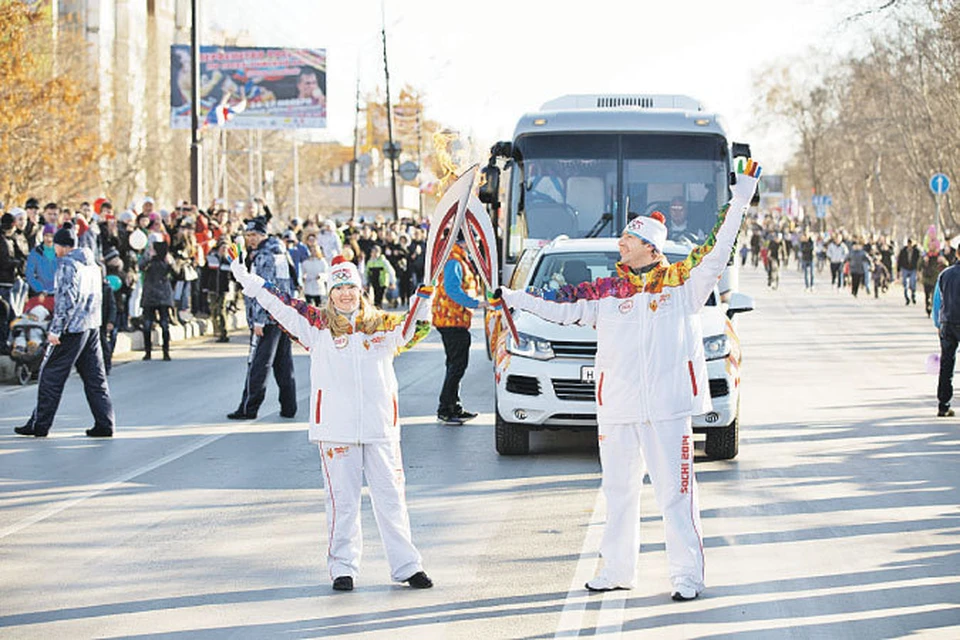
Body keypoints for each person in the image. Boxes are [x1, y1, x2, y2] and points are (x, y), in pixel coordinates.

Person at [497, 159, 762, 601]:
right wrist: (513, 296)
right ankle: (617, 569)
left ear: (651, 248)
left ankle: (686, 575)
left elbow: (719, 250)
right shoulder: (608, 292)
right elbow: (561, 309)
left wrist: (741, 198)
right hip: (617, 407)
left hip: (666, 408)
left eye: (629, 238)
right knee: (618, 493)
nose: (620, 243)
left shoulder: (683, 287)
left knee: (675, 496)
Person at [228, 252, 435, 592]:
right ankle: (343, 568)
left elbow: (415, 329)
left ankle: (407, 566)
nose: (346, 294)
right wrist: (249, 282)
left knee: (392, 498)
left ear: (360, 290)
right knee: (342, 500)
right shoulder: (315, 325)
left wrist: (423, 301)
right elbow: (280, 304)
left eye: (351, 287)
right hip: (336, 429)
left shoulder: (381, 325)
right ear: (330, 292)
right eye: (339, 288)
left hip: (380, 426)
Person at [15, 223, 115, 438]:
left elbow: (66, 301)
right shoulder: (92, 265)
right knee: (95, 378)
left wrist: (56, 330)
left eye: (57, 246)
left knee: (50, 376)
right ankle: (105, 423)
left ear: (63, 246)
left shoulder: (68, 265)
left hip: (72, 328)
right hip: (91, 326)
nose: (55, 250)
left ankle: (40, 425)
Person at [227, 216, 298, 420]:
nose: (250, 239)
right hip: (283, 315)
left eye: (254, 235)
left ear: (263, 235)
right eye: (248, 235)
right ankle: (289, 407)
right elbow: (293, 280)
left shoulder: (264, 256)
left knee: (258, 363)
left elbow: (263, 289)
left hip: (267, 317)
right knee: (283, 363)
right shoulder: (282, 251)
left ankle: (248, 408)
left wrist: (258, 319)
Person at [433, 238, 486, 426]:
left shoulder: (459, 258)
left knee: (455, 365)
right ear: (465, 241)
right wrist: (476, 303)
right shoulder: (454, 260)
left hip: (455, 319)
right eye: (475, 239)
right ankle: (446, 409)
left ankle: (453, 406)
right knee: (457, 366)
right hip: (451, 319)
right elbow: (452, 290)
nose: (478, 243)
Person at [140, 237, 176, 361]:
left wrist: (170, 263)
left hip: (163, 295)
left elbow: (177, 274)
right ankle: (147, 351)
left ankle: (166, 351)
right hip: (150, 294)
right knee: (147, 324)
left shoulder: (166, 262)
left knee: (164, 324)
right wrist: (148, 258)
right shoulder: (149, 261)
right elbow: (141, 267)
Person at [932, 260, 960, 416]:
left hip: (947, 323)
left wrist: (938, 323)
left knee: (946, 364)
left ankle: (943, 404)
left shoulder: (945, 274)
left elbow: (937, 301)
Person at [202, 239, 234, 342]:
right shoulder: (212, 259)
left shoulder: (229, 260)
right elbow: (205, 273)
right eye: (222, 248)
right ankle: (217, 330)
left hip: (223, 289)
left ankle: (224, 332)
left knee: (221, 310)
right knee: (213, 310)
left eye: (226, 248)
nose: (224, 250)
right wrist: (204, 286)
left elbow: (233, 276)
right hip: (213, 288)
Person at [25, 224, 58, 296]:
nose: (49, 239)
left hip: (56, 291)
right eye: (46, 236)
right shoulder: (36, 252)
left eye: (52, 236)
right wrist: (40, 289)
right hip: (41, 292)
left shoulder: (59, 252)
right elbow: (29, 274)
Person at [921, 248, 947, 317]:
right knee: (927, 295)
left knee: (934, 296)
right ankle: (927, 307)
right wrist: (924, 261)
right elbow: (919, 265)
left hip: (935, 279)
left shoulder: (939, 256)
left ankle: (932, 309)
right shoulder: (925, 256)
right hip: (926, 279)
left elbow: (946, 266)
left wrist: (942, 260)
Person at [898, 238, 921, 305]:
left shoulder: (916, 251)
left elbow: (918, 261)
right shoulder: (903, 251)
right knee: (905, 283)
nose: (909, 246)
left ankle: (913, 294)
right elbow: (899, 260)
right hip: (905, 268)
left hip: (913, 269)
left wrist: (918, 270)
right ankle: (906, 297)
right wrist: (898, 270)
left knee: (912, 282)